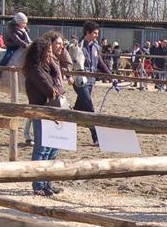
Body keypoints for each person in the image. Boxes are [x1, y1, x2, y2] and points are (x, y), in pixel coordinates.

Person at [22, 32, 68, 197]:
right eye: (48, 52)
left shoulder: (46, 68)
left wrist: (56, 72)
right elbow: (51, 91)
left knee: (52, 148)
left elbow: (58, 86)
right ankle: (38, 184)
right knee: (42, 148)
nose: (51, 54)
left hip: (50, 111)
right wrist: (58, 87)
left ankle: (47, 182)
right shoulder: (34, 70)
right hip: (41, 111)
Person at [74, 20, 112, 143]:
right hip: (80, 82)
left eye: (97, 33)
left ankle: (64, 127)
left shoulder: (96, 47)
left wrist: (111, 76)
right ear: (87, 32)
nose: (97, 35)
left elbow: (100, 63)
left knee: (78, 108)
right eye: (95, 33)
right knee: (89, 107)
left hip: (91, 82)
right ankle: (96, 138)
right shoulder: (78, 46)